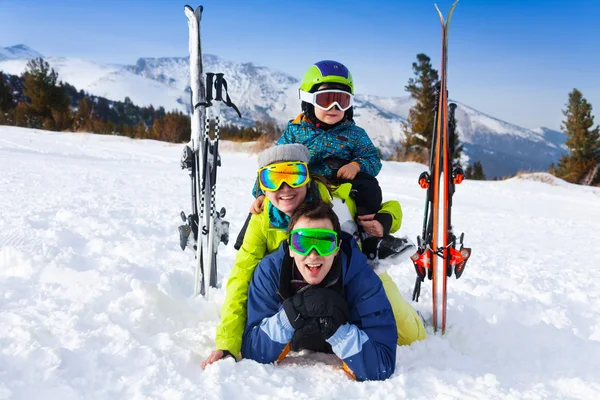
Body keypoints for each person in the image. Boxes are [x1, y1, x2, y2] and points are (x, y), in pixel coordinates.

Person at [201, 144, 425, 370]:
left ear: (307, 178)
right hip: (290, 283)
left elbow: (386, 209)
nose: (285, 188)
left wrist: (385, 221)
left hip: (354, 273)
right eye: (273, 180)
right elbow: (241, 276)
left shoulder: (332, 200)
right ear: (262, 188)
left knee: (408, 335)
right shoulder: (262, 219)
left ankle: (415, 318)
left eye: (294, 176)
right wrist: (228, 343)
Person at [245, 60, 404, 259]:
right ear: (309, 100)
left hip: (344, 186)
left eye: (342, 101)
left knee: (369, 185)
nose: (334, 107)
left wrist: (356, 165)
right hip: (305, 184)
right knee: (268, 206)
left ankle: (368, 235)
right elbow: (275, 162)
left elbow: (372, 158)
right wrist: (261, 193)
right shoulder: (296, 131)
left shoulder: (355, 134)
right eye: (325, 100)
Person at [242, 201, 397, 381]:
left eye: (324, 242)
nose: (313, 254)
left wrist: (337, 330)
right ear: (290, 248)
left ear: (337, 248)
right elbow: (252, 351)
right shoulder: (271, 272)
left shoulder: (359, 277)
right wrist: (290, 316)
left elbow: (382, 365)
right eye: (302, 242)